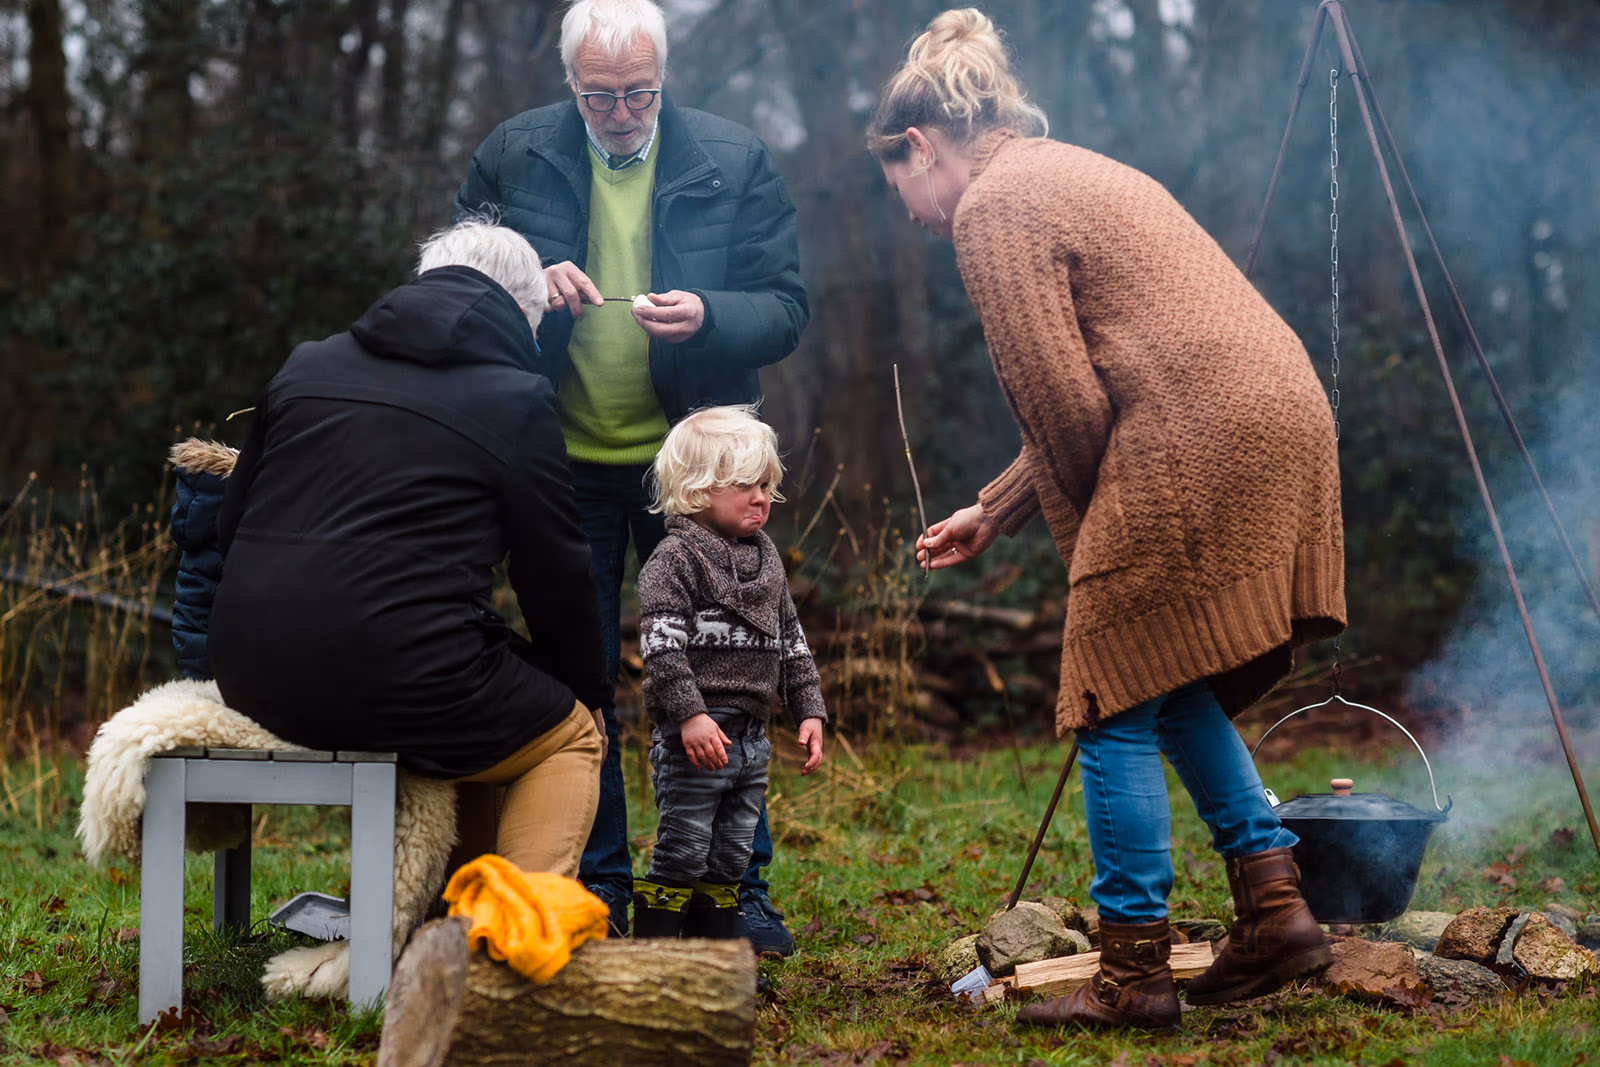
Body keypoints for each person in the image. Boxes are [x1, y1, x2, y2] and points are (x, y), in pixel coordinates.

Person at [868, 9, 1347, 1031]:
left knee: (1108, 690)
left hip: (1195, 433)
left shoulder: (992, 206)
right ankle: (1275, 910)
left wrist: (1097, 542)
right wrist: (995, 508)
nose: (911, 214)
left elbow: (1065, 408)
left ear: (920, 146)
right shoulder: (1066, 167)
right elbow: (1109, 377)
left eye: (899, 186)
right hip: (1276, 411)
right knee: (1162, 673)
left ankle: (1132, 971)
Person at [454, 0, 808, 950]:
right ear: (570, 83)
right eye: (600, 96)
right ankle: (601, 885)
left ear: (664, 77)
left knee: (728, 672)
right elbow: (455, 290)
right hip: (558, 462)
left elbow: (785, 308)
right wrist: (528, 289)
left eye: (639, 94)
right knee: (581, 676)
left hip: (695, 472)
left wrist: (711, 315)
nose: (620, 113)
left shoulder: (733, 159)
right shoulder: (513, 154)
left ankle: (735, 890)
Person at [209, 219, 610, 877]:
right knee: (566, 735)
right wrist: (586, 690)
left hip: (250, 672)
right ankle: (514, 931)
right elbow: (555, 576)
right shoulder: (516, 398)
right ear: (523, 314)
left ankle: (449, 916)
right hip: (403, 678)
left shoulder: (307, 363)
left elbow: (231, 526)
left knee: (493, 693)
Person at [631, 405, 826, 939]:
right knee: (685, 846)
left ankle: (713, 960)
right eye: (744, 485)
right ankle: (653, 958)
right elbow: (662, 649)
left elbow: (790, 637)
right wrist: (690, 715)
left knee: (732, 853)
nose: (761, 498)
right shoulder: (674, 560)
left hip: (751, 737)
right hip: (696, 734)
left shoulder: (766, 558)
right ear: (696, 489)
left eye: (765, 485)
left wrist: (809, 709)